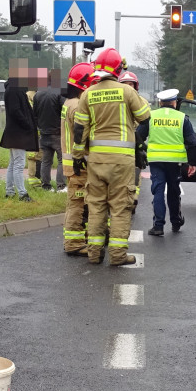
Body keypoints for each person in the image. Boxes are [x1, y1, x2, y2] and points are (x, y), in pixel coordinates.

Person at [72, 48, 152, 265]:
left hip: (96, 160)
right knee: (120, 207)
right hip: (122, 161)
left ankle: (94, 254)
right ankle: (117, 256)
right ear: (118, 69)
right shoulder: (126, 92)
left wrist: (78, 155)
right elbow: (145, 116)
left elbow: (80, 129)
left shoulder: (88, 93)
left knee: (96, 206)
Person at [137, 88, 196, 236]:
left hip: (156, 160)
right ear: (174, 102)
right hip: (175, 162)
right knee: (173, 191)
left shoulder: (150, 117)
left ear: (160, 102)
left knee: (158, 191)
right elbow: (192, 143)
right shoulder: (182, 118)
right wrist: (193, 163)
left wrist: (142, 150)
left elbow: (138, 136)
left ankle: (158, 226)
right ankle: (176, 221)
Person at [61, 62, 96, 255]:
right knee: (77, 204)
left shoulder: (69, 103)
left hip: (73, 164)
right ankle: (74, 243)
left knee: (76, 202)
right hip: (79, 165)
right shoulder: (77, 107)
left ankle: (77, 239)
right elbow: (82, 135)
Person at [1, 64, 38, 201]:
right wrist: (27, 124)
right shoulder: (15, 90)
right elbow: (16, 111)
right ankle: (22, 194)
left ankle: (10, 191)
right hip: (18, 133)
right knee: (19, 164)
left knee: (13, 163)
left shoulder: (11, 88)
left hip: (13, 132)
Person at [119, 71, 148, 212]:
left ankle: (133, 200)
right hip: (120, 145)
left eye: (130, 84)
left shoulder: (142, 101)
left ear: (135, 86)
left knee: (135, 177)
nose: (128, 87)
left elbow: (145, 120)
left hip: (135, 145)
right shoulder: (116, 101)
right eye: (125, 84)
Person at [34, 69, 66, 191]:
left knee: (46, 161)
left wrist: (40, 127)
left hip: (43, 133)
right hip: (57, 132)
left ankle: (46, 185)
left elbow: (35, 114)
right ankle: (61, 185)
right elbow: (65, 110)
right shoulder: (59, 93)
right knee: (61, 160)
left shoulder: (38, 94)